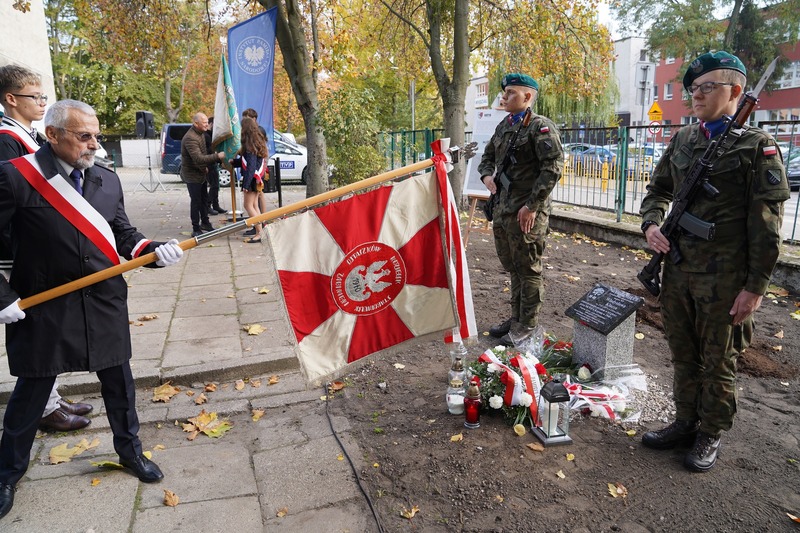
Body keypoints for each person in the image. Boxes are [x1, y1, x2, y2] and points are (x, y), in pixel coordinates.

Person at [0, 99, 185, 519]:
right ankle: (7, 473)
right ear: (53, 135)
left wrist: (154, 251)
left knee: (120, 385)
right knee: (31, 394)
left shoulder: (105, 179)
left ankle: (129, 453)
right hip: (44, 304)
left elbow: (122, 233)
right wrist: (2, 297)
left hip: (102, 300)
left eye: (96, 135)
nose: (94, 145)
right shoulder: (15, 177)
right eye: (84, 136)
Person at [639, 51, 790, 472]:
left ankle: (711, 433)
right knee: (683, 353)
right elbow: (657, 191)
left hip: (725, 278)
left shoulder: (758, 148)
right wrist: (651, 226)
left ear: (736, 92)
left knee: (718, 359)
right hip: (678, 270)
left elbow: (767, 226)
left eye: (707, 87)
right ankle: (685, 422)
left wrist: (756, 286)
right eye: (693, 89)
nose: (696, 96)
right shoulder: (685, 139)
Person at [0, 64, 93, 432]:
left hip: (40, 244)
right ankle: (42, 406)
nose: (42, 102)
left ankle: (50, 396)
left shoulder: (28, 133)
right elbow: (15, 196)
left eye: (42, 96)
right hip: (20, 247)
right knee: (36, 332)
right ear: (11, 99)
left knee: (49, 327)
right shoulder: (7, 139)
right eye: (34, 96)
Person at [478, 73, 563, 346]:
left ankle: (527, 326)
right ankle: (516, 319)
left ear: (527, 97)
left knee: (528, 269)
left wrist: (532, 206)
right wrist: (486, 177)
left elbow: (552, 169)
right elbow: (488, 156)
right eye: (504, 92)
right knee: (513, 267)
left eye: (511, 93)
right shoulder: (504, 126)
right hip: (504, 209)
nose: (504, 96)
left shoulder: (541, 128)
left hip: (527, 213)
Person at [180, 112, 225, 237]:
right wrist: (217, 156)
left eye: (206, 122)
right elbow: (198, 158)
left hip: (201, 173)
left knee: (204, 200)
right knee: (196, 201)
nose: (207, 125)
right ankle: (196, 228)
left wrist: (204, 167)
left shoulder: (200, 134)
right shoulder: (190, 138)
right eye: (204, 123)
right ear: (196, 123)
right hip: (192, 175)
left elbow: (203, 153)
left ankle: (205, 222)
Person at [230, 117, 269, 243]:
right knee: (254, 206)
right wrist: (235, 162)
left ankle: (259, 232)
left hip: (251, 179)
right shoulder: (257, 142)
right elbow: (248, 163)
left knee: (248, 205)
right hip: (256, 179)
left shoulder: (249, 146)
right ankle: (261, 231)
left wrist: (245, 185)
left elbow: (251, 167)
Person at [203, 116, 225, 215]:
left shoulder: (210, 135)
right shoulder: (206, 136)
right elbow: (208, 152)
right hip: (209, 164)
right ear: (211, 124)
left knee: (216, 186)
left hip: (212, 163)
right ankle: (208, 205)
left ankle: (215, 205)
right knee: (214, 186)